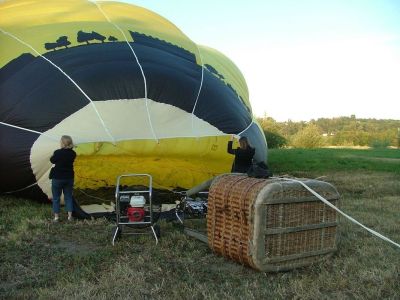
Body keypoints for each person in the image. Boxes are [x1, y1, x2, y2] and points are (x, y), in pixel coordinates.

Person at [50, 135, 76, 222]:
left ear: (62, 143)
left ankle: (56, 217)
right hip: (69, 178)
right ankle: (70, 217)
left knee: (56, 198)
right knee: (68, 197)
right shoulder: (73, 153)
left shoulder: (57, 152)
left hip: (57, 178)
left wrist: (53, 155)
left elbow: (52, 160)